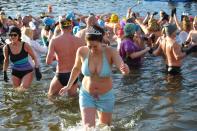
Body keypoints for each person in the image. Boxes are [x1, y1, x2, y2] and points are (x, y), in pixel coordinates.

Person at [59, 25, 130, 129]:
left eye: (95, 46)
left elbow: (122, 67)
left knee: (105, 127)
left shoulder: (110, 52)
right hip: (87, 95)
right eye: (89, 46)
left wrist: (125, 69)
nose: (92, 49)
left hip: (106, 96)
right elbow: (76, 68)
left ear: (101, 42)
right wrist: (68, 86)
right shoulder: (81, 51)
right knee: (88, 128)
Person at [46, 18, 84, 97]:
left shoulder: (54, 41)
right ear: (71, 27)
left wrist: (56, 56)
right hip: (74, 75)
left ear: (60, 27)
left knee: (51, 96)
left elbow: (48, 62)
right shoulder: (80, 41)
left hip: (61, 74)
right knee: (73, 99)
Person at [3, 26, 41, 91]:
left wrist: (37, 69)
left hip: (27, 71)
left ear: (19, 36)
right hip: (15, 72)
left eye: (15, 35)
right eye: (11, 35)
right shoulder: (6, 48)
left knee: (22, 89)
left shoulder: (25, 45)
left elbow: (34, 57)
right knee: (17, 92)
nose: (12, 37)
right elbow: (6, 60)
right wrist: (5, 73)